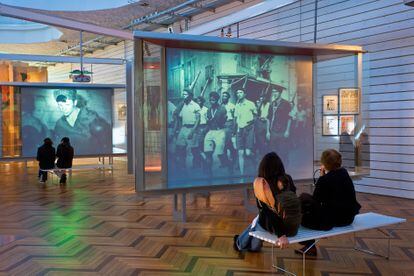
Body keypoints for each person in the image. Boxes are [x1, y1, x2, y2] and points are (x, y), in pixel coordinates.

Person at [296, 149, 361, 256]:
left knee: (303, 216)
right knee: (306, 201)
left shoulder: (325, 179)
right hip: (349, 218)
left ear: (325, 163)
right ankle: (310, 247)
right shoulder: (344, 173)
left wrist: (322, 177)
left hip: (333, 220)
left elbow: (316, 201)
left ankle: (309, 247)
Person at [234, 152, 301, 252]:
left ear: (263, 167)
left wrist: (281, 235)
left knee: (259, 219)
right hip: (292, 225)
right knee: (260, 218)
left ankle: (239, 243)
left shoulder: (262, 184)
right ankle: (245, 242)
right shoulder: (288, 179)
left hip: (274, 226)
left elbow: (268, 212)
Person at [53, 89, 111, 155]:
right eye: (60, 105)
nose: (63, 108)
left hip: (91, 159)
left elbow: (106, 145)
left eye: (67, 104)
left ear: (75, 102)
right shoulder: (59, 124)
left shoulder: (91, 118)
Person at [174, 89, 201, 170]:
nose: (184, 96)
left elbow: (198, 120)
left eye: (185, 94)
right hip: (183, 128)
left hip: (192, 128)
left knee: (194, 149)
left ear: (190, 96)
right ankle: (182, 166)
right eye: (183, 94)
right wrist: (177, 128)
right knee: (181, 148)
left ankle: (197, 166)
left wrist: (192, 131)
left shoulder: (195, 105)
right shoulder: (183, 105)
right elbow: (179, 117)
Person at [234, 89, 257, 175]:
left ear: (245, 94)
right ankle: (241, 174)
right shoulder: (237, 105)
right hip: (240, 130)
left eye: (240, 92)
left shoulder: (250, 104)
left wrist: (251, 122)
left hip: (248, 129)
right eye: (237, 92)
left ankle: (254, 159)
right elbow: (236, 118)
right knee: (240, 153)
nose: (238, 94)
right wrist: (235, 130)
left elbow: (255, 115)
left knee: (247, 153)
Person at [203, 92, 227, 175]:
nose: (211, 100)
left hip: (219, 131)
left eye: (213, 99)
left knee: (220, 153)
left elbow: (223, 122)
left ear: (217, 100)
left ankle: (227, 163)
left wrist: (216, 120)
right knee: (208, 153)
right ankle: (209, 173)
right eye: (210, 99)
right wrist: (208, 121)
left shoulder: (222, 109)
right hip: (211, 131)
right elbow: (209, 122)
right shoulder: (208, 110)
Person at [267, 89, 292, 166]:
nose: (274, 93)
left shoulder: (286, 103)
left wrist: (287, 130)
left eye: (276, 92)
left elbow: (289, 118)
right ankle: (276, 167)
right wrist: (267, 131)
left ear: (280, 93)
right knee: (273, 150)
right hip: (273, 130)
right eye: (273, 92)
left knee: (283, 150)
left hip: (282, 130)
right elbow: (268, 118)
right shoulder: (272, 104)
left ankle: (285, 166)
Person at [221, 91, 236, 170]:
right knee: (224, 144)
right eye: (223, 96)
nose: (223, 97)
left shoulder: (232, 106)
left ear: (228, 97)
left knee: (226, 143)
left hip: (229, 125)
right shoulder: (220, 105)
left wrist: (234, 129)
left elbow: (234, 118)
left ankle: (232, 160)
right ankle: (225, 162)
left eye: (225, 96)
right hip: (222, 126)